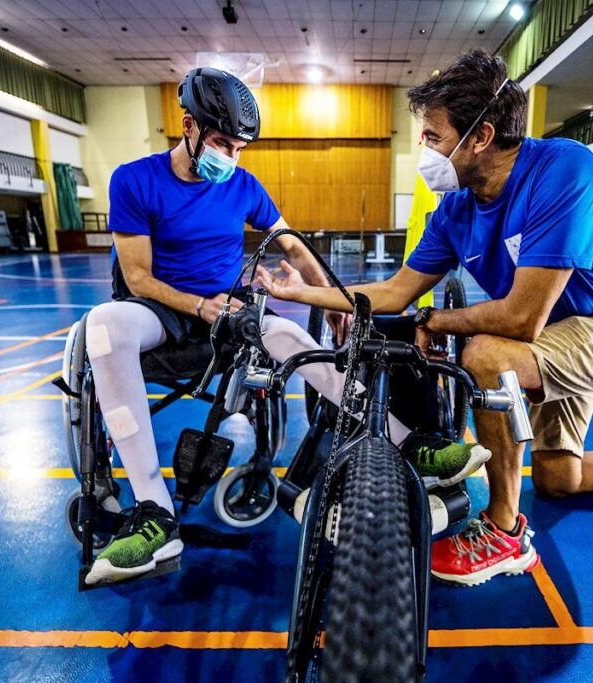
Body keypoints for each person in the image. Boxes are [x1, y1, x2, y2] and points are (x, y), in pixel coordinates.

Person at [260, 50, 593, 588]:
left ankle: (504, 532)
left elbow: (520, 319)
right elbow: (396, 290)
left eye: (433, 136)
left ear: (480, 136)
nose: (425, 149)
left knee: (489, 355)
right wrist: (306, 291)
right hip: (557, 338)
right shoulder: (455, 209)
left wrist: (436, 322)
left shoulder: (564, 171)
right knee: (559, 479)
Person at [84, 68, 482, 586]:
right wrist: (200, 307)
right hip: (160, 311)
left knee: (298, 341)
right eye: (222, 143)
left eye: (239, 147)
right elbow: (137, 277)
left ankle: (410, 444)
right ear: (189, 126)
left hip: (231, 312)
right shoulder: (135, 180)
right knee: (104, 324)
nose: (230, 157)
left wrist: (336, 301)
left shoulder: (244, 185)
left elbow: (292, 243)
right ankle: (154, 513)